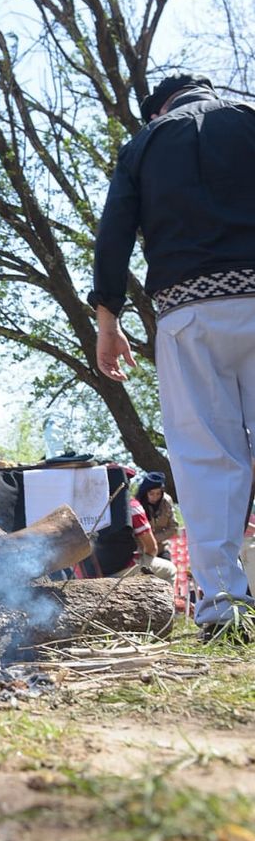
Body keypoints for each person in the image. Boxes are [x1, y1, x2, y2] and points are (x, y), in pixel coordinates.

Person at [89, 72, 255, 639]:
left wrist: (107, 319)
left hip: (190, 311)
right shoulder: (250, 119)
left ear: (156, 111)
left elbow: (114, 231)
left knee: (207, 459)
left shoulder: (146, 144)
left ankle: (225, 610)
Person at [135, 471, 178, 561]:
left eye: (158, 494)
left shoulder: (166, 501)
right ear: (145, 493)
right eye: (151, 494)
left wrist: (155, 539)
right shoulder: (136, 505)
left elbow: (173, 527)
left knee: (168, 570)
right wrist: (147, 541)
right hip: (142, 550)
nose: (155, 497)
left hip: (162, 547)